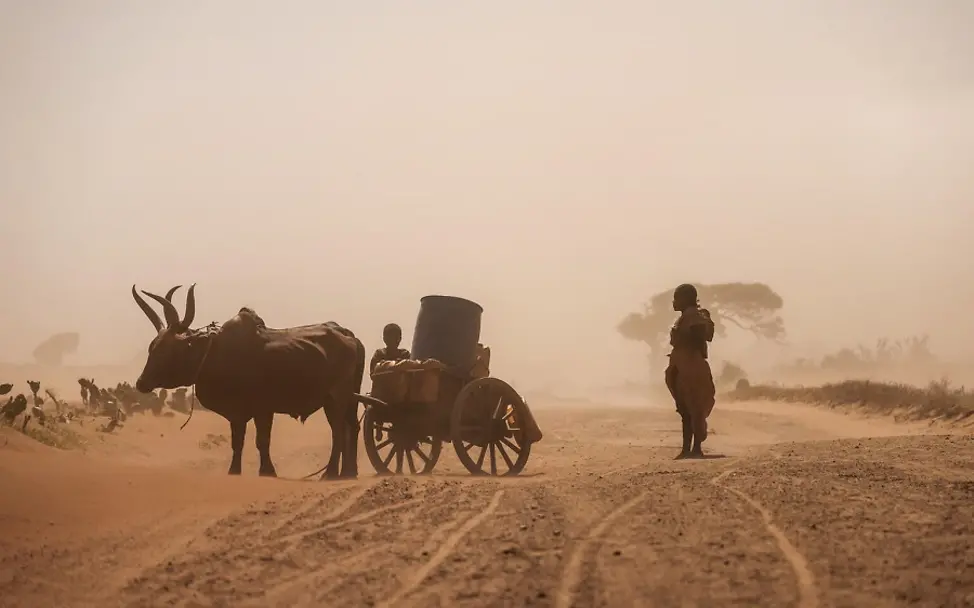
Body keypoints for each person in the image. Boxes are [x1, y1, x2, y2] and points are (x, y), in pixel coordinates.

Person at [664, 284, 716, 458]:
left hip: (691, 366)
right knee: (686, 408)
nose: (674, 302)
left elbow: (703, 336)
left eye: (677, 298)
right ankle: (689, 448)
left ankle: (694, 448)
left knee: (693, 407)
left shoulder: (693, 317)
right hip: (683, 365)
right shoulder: (687, 317)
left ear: (686, 300)